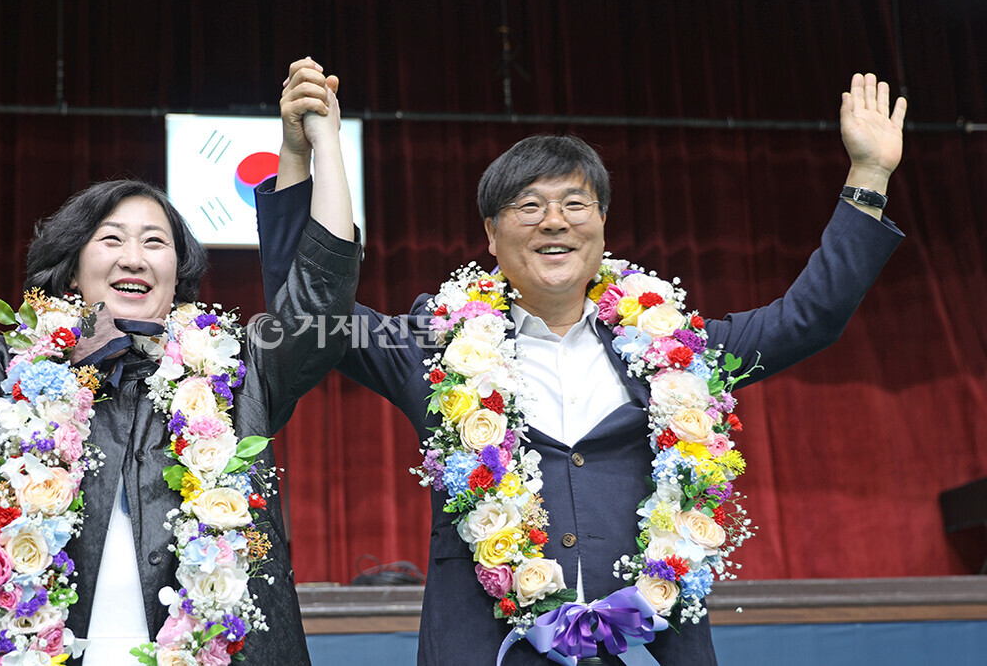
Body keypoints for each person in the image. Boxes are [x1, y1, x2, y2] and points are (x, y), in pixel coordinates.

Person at [257, 66, 905, 665]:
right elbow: (304, 310)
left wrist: (869, 174)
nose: (554, 222)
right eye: (528, 206)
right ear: (490, 235)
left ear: (601, 224)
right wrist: (297, 153)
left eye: (574, 204)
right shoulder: (433, 348)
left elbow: (809, 317)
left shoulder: (677, 350)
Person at [0, 74, 359, 665]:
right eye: (112, 239)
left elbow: (318, 308)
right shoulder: (9, 377)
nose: (134, 258)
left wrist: (324, 146)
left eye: (155, 242)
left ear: (177, 274)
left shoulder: (237, 373)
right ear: (73, 269)